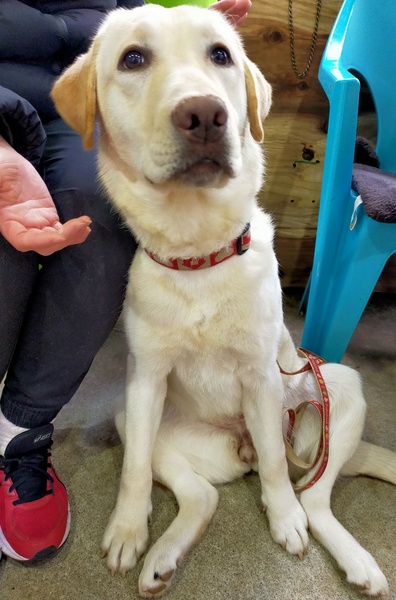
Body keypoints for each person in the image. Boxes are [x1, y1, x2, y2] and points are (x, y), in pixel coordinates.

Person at [0, 0, 251, 564]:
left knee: (100, 222)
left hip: (83, 106)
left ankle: (19, 431)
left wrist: (182, 40)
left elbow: (133, 22)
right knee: (7, 228)